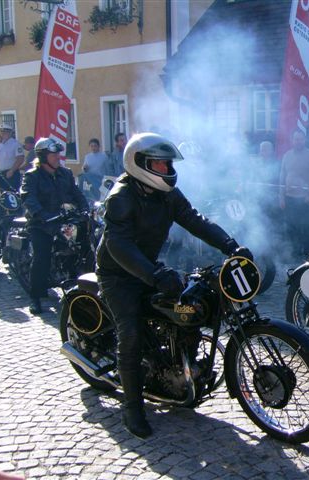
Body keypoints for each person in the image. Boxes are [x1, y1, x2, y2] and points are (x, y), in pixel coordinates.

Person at [96, 132, 252, 438]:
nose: (167, 170)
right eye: (160, 165)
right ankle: (132, 407)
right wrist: (154, 274)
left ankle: (182, 370)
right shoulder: (121, 197)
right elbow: (119, 246)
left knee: (188, 309)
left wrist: (230, 245)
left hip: (150, 268)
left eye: (168, 165)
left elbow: (195, 220)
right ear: (140, 164)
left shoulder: (167, 194)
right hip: (119, 275)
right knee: (131, 333)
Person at [20, 138, 89, 314]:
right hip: (42, 224)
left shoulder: (65, 173)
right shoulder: (32, 176)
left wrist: (85, 208)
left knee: (84, 247)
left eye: (58, 153)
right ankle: (36, 297)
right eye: (54, 154)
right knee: (42, 256)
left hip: (64, 220)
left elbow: (76, 193)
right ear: (43, 156)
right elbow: (29, 198)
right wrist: (42, 215)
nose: (58, 156)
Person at [279, 130, 309, 258]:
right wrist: (281, 196)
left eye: (301, 139)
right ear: (292, 141)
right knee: (292, 228)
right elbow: (282, 176)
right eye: (296, 139)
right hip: (290, 199)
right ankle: (295, 253)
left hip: (307, 200)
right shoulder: (286, 156)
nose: (298, 142)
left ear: (305, 140)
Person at [0, 123, 25, 191]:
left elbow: (20, 159)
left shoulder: (15, 144)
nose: (2, 134)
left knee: (12, 193)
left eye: (5, 132)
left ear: (10, 132)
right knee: (3, 195)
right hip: (1, 173)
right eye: (1, 132)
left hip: (11, 173)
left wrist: (12, 170)